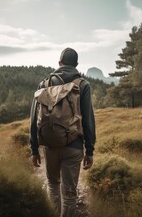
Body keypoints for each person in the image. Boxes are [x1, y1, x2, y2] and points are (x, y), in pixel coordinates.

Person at [29, 47, 96, 217]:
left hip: (50, 146)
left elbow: (33, 119)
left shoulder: (44, 85)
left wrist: (34, 149)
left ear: (59, 63)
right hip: (73, 146)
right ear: (77, 65)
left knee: (53, 185)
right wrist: (89, 151)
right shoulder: (82, 85)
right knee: (70, 194)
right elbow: (88, 120)